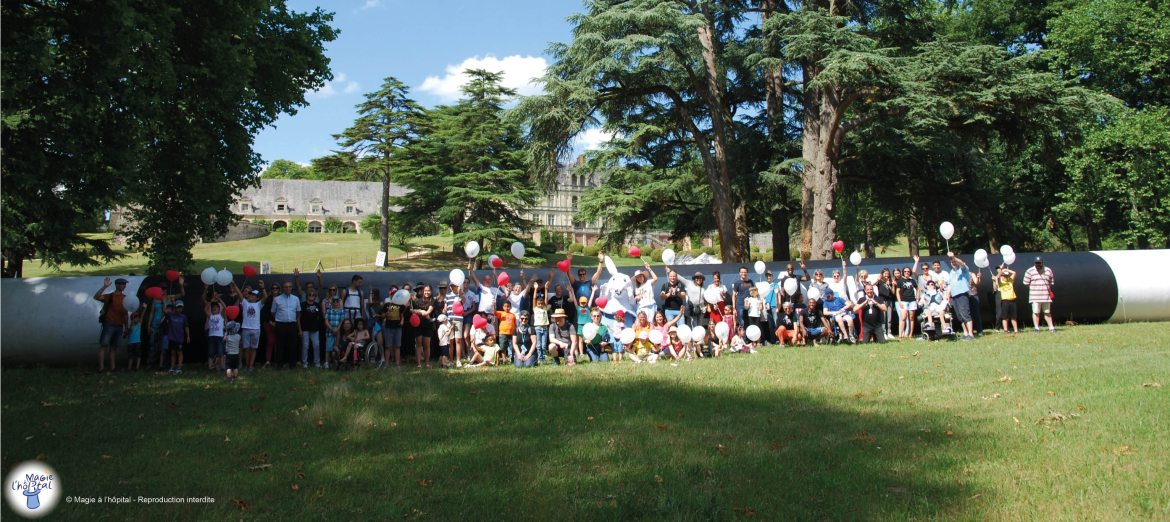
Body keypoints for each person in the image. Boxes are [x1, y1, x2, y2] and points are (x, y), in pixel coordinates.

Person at [94, 277, 131, 372]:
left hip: (119, 325)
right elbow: (97, 297)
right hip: (109, 324)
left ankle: (112, 367)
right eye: (122, 284)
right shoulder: (110, 296)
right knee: (104, 346)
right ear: (117, 285)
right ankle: (101, 368)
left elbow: (125, 314)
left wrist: (126, 326)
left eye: (125, 284)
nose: (124, 286)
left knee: (113, 347)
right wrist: (104, 286)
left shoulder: (125, 298)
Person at [231, 281, 264, 372]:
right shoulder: (245, 303)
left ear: (257, 298)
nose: (250, 296)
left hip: (256, 329)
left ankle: (251, 365)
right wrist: (234, 284)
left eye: (253, 295)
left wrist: (263, 287)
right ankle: (247, 364)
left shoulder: (258, 304)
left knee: (253, 348)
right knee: (246, 348)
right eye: (250, 294)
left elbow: (265, 297)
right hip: (246, 328)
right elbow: (238, 292)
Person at [271, 281, 302, 369]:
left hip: (292, 324)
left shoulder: (296, 299)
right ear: (283, 288)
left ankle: (292, 365)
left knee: (293, 345)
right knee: (280, 345)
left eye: (289, 287)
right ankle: (279, 365)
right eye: (286, 287)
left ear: (291, 288)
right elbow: (273, 312)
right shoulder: (277, 299)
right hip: (281, 325)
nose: (288, 288)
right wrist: (280, 318)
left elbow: (298, 312)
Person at [946, 252, 975, 340]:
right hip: (954, 296)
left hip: (962, 294)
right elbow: (949, 284)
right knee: (959, 315)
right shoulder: (951, 272)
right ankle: (965, 333)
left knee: (965, 313)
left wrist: (953, 257)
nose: (953, 263)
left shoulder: (963, 269)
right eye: (952, 262)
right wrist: (948, 295)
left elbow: (962, 264)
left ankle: (971, 334)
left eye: (954, 261)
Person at [1023, 256, 1056, 333]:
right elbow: (1026, 283)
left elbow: (1051, 282)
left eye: (1039, 263)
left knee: (1047, 312)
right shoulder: (1029, 271)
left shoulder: (1048, 270)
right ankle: (1037, 328)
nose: (1037, 264)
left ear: (1042, 263)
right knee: (1036, 312)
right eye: (1036, 263)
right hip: (1035, 296)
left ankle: (1051, 327)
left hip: (1046, 296)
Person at [202, 285, 226, 372]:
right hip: (211, 336)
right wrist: (210, 302)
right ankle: (210, 367)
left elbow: (225, 307)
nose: (214, 308)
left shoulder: (221, 316)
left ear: (219, 309)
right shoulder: (210, 316)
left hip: (219, 336)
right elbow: (205, 310)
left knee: (220, 352)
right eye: (213, 308)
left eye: (216, 307)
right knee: (210, 352)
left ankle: (222, 366)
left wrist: (219, 299)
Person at [412, 285, 436, 369]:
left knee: (427, 345)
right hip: (418, 325)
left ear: (431, 292)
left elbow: (427, 313)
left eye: (428, 291)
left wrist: (421, 311)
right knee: (418, 344)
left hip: (428, 326)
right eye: (425, 290)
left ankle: (427, 363)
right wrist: (419, 311)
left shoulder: (433, 301)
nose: (426, 292)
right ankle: (419, 364)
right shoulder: (418, 301)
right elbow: (413, 311)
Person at [300, 290, 325, 368]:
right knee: (305, 345)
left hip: (315, 328)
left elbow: (319, 317)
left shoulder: (317, 305)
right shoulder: (303, 305)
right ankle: (304, 363)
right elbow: (299, 317)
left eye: (313, 295)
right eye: (309, 294)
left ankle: (317, 363)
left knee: (316, 345)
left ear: (315, 297)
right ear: (307, 296)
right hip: (305, 328)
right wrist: (300, 329)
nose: (311, 296)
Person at [166, 299, 190, 374]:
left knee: (179, 352)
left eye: (181, 307)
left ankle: (179, 367)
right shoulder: (171, 315)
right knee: (172, 352)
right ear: (175, 308)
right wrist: (163, 302)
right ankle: (172, 367)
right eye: (178, 307)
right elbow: (164, 310)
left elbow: (186, 326)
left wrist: (188, 336)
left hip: (179, 337)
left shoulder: (183, 317)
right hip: (172, 337)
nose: (179, 309)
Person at [895, 267, 918, 339]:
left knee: (911, 317)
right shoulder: (900, 281)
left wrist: (917, 296)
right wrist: (899, 301)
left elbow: (918, 289)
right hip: (904, 300)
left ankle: (910, 334)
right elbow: (897, 292)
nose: (907, 273)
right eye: (905, 271)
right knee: (903, 317)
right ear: (903, 272)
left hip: (912, 300)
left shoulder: (912, 280)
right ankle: (900, 335)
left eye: (908, 271)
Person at [997, 265, 1020, 334]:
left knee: (1014, 316)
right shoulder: (1000, 282)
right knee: (1005, 317)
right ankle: (1006, 330)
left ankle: (1016, 330)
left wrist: (1007, 270)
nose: (1005, 277)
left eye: (1007, 276)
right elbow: (997, 277)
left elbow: (1014, 273)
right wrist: (1001, 272)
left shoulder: (1010, 281)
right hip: (1005, 300)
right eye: (1004, 276)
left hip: (1012, 300)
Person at [324, 297, 344, 368]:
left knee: (338, 347)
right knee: (328, 348)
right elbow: (326, 321)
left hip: (338, 333)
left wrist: (337, 329)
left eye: (337, 301)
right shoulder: (329, 311)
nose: (335, 303)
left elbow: (342, 321)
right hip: (330, 332)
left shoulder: (341, 311)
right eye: (334, 301)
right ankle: (326, 362)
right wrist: (332, 329)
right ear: (332, 302)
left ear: (339, 302)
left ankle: (337, 361)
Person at [762, 270, 780, 345]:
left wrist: (779, 307)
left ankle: (778, 339)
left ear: (772, 276)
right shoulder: (765, 285)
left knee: (776, 323)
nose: (768, 277)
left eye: (770, 275)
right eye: (767, 276)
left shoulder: (775, 285)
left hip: (774, 306)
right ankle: (773, 340)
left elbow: (778, 295)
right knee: (770, 325)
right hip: (767, 307)